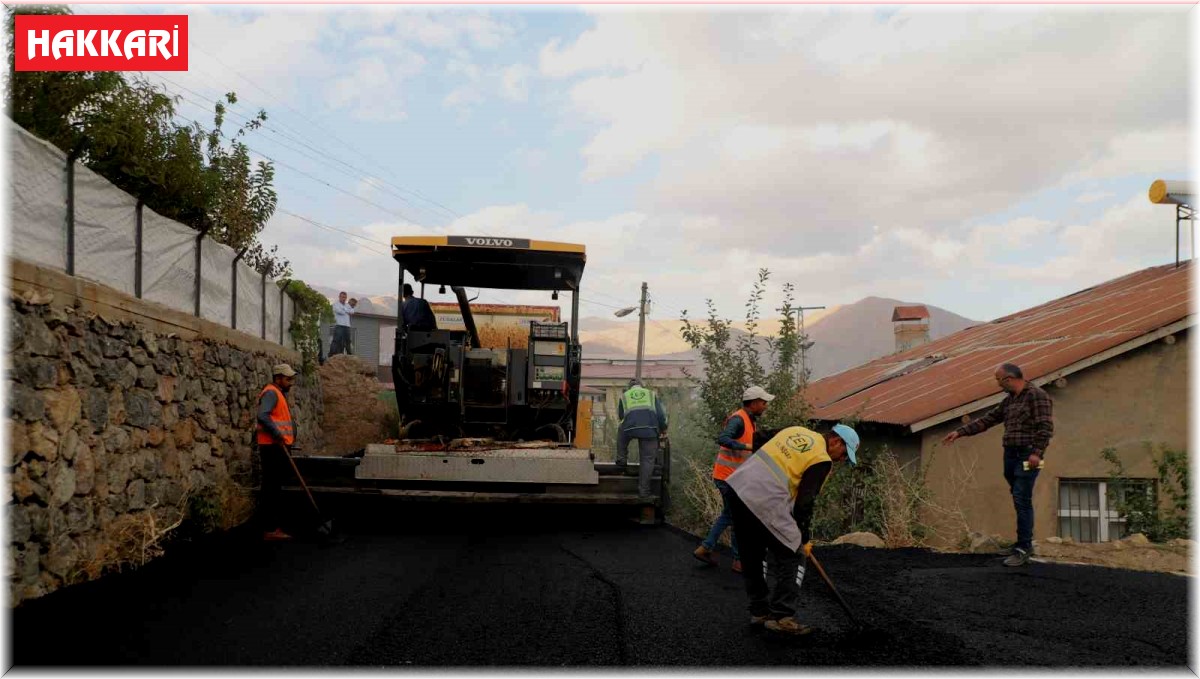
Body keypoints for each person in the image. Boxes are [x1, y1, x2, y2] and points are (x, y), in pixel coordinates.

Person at [726, 423, 860, 636]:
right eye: (844, 453)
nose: (842, 459)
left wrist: (758, 469)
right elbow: (804, 504)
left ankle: (759, 612)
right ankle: (782, 616)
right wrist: (803, 539)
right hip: (765, 499)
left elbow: (760, 436)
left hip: (739, 486)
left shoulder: (796, 430)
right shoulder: (821, 459)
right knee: (794, 554)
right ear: (835, 441)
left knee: (752, 552)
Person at [942, 362, 1054, 567]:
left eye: (998, 380)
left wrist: (1037, 453)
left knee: (1022, 497)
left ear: (1009, 379)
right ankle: (1019, 543)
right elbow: (989, 419)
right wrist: (960, 432)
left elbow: (1045, 427)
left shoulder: (1037, 396)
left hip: (1029, 456)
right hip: (1010, 455)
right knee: (1018, 495)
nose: (997, 384)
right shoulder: (1010, 400)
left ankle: (1023, 548)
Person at [694, 385, 775, 574]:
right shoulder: (739, 419)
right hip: (727, 478)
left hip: (732, 478)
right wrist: (748, 446)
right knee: (738, 517)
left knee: (730, 515)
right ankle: (738, 561)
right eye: (763, 403)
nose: (765, 406)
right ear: (754, 403)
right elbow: (723, 438)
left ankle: (705, 548)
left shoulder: (749, 420)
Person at [257, 363, 298, 542]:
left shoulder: (278, 393)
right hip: (272, 447)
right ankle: (270, 528)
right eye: (287, 379)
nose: (291, 382)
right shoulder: (272, 393)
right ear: (278, 378)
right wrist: (276, 434)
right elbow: (262, 415)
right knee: (271, 488)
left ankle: (273, 526)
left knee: (274, 487)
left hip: (278, 446)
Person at [615, 378, 669, 500]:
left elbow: (621, 416)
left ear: (630, 387)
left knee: (621, 431)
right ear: (642, 386)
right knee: (647, 460)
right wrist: (663, 429)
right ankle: (644, 492)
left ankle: (622, 460)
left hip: (630, 428)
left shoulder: (624, 396)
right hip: (649, 430)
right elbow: (661, 415)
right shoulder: (651, 394)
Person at [329, 291, 357, 356]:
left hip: (347, 326)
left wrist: (344, 309)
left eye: (344, 297)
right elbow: (339, 312)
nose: (343, 298)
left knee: (347, 341)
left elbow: (352, 312)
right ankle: (331, 354)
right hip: (339, 325)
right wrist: (347, 311)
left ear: (346, 298)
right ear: (339, 297)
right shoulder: (336, 304)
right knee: (336, 340)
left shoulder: (347, 305)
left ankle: (349, 355)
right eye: (342, 297)